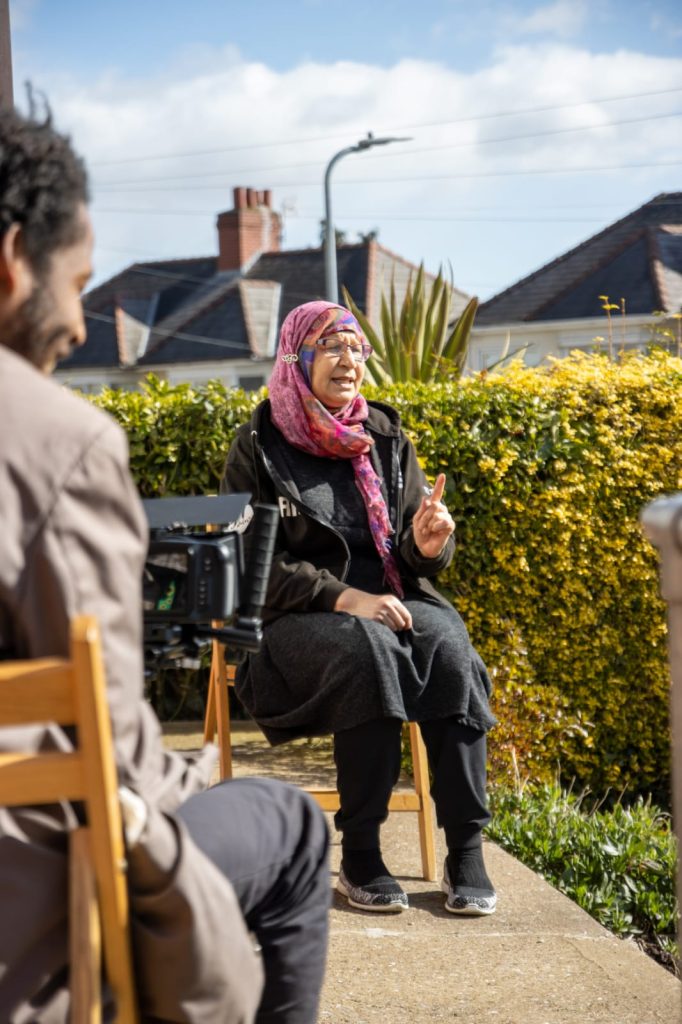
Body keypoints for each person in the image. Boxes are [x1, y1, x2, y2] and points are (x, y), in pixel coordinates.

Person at [0, 102, 329, 1023]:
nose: (76, 321)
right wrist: (200, 782)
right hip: (32, 914)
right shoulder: (57, 442)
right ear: (13, 261)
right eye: (78, 281)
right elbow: (116, 754)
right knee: (294, 828)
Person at [221, 300, 497, 915]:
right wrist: (345, 598)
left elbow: (410, 548)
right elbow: (249, 561)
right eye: (332, 347)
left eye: (356, 348)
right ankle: (363, 854)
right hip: (294, 623)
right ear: (298, 358)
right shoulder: (259, 444)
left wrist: (427, 545)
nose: (349, 361)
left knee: (447, 644)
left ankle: (466, 848)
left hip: (392, 601)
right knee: (365, 649)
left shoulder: (385, 436)